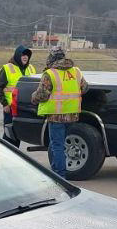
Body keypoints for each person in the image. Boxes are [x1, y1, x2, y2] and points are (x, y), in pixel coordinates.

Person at [31, 48, 88, 178]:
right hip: (72, 115)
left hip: (56, 116)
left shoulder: (50, 73)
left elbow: (42, 95)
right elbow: (85, 88)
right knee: (57, 144)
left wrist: (33, 97)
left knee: (57, 146)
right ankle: (56, 170)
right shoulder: (76, 71)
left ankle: (59, 175)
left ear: (51, 58)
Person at [0, 45, 35, 146]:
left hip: (25, 108)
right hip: (11, 109)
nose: (25, 57)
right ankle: (5, 155)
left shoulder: (31, 68)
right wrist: (4, 104)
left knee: (18, 135)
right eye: (23, 55)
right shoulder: (7, 68)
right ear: (17, 55)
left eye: (27, 55)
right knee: (10, 136)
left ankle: (13, 155)